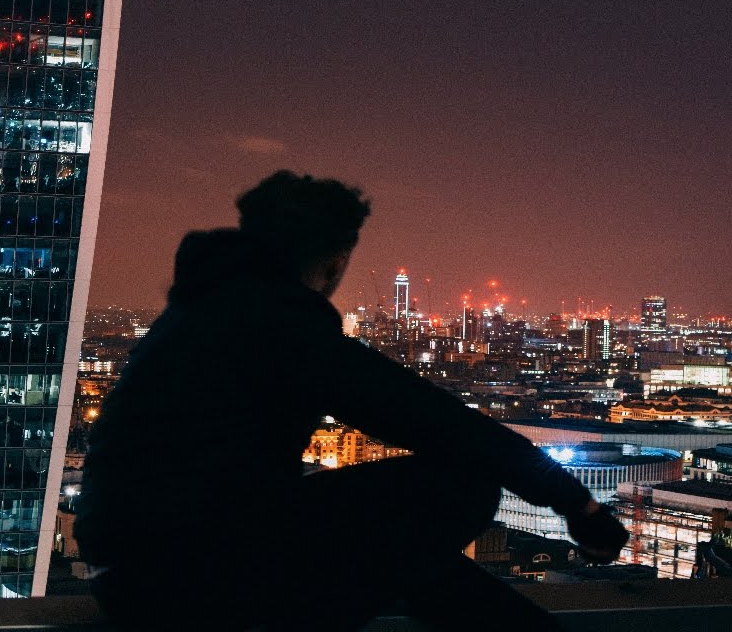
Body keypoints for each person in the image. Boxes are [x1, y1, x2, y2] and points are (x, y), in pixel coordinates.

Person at [74, 171, 628, 631]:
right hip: (193, 573)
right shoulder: (274, 319)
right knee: (458, 487)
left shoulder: (203, 308)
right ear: (336, 260)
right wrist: (576, 504)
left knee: (406, 556)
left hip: (136, 568)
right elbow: (428, 418)